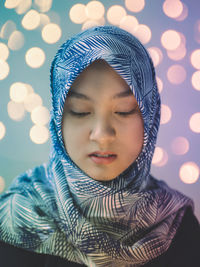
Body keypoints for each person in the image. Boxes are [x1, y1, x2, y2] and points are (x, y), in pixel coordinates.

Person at [0, 25, 199, 267]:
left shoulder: (177, 225)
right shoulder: (20, 214)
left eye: (123, 111)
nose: (102, 134)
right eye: (80, 112)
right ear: (58, 119)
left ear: (150, 116)